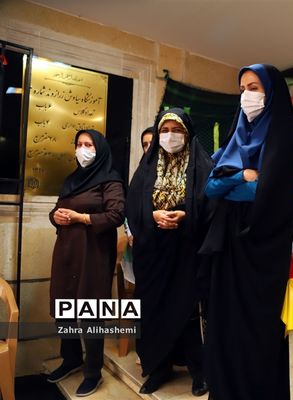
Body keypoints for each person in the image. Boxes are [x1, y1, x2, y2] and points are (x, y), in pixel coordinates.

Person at [200, 64, 293, 400]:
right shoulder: (235, 136)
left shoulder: (282, 137)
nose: (246, 96)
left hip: (262, 247)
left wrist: (234, 187)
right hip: (228, 245)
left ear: (271, 93)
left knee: (256, 330)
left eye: (254, 87)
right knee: (225, 323)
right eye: (243, 89)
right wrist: (241, 177)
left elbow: (270, 193)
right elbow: (210, 188)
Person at [125, 108, 212, 396]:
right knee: (153, 311)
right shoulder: (147, 166)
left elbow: (212, 206)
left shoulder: (202, 166)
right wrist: (152, 216)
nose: (169, 135)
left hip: (187, 252)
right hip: (153, 254)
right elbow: (133, 206)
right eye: (164, 130)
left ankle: (199, 372)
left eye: (176, 130)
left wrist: (185, 215)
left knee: (188, 312)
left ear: (187, 134)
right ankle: (158, 368)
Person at [47, 129, 125, 397]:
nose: (82, 149)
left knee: (91, 312)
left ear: (99, 149)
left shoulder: (110, 180)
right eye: (79, 144)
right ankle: (71, 359)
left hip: (94, 255)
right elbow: (57, 209)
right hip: (66, 253)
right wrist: (55, 217)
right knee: (64, 309)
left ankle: (93, 372)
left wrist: (81, 218)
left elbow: (116, 214)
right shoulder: (72, 179)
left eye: (88, 144)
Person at [122, 126, 155, 284]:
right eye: (145, 145)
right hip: (141, 242)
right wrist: (130, 232)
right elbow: (130, 207)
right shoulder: (140, 174)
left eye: (152, 143)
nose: (148, 148)